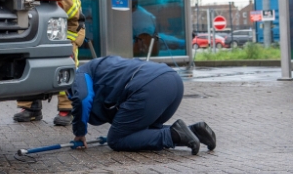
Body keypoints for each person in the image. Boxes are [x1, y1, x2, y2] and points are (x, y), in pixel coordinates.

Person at [66, 55, 215, 154]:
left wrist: (79, 132)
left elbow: (82, 99)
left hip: (149, 88)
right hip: (172, 80)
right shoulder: (103, 64)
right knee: (145, 130)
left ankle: (173, 135)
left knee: (117, 139)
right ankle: (195, 131)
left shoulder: (79, 74)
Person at [14, 0, 85, 125]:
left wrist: (69, 43)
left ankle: (67, 108)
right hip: (41, 31)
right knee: (28, 64)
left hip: (70, 31)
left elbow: (75, 22)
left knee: (66, 66)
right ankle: (31, 107)